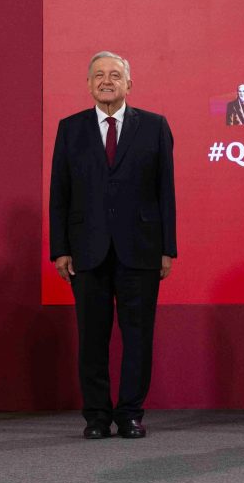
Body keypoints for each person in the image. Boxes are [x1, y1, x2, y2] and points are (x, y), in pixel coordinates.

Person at [49, 51, 177, 440]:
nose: (107, 81)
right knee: (92, 337)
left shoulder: (154, 126)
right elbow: (60, 193)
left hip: (140, 248)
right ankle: (97, 416)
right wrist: (60, 248)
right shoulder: (70, 128)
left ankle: (131, 413)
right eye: (99, 75)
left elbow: (165, 192)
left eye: (115, 75)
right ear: (89, 84)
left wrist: (167, 248)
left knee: (138, 336)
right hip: (87, 249)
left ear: (128, 84)